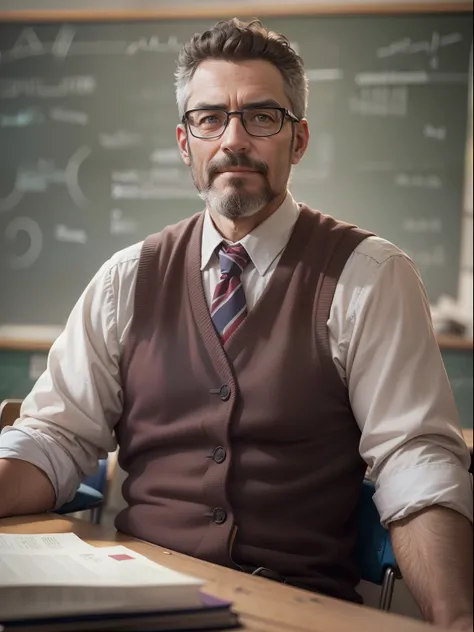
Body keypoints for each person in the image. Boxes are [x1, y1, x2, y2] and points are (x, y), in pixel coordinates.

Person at [0, 18, 472, 629]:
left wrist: (458, 616)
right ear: (184, 141)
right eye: (210, 119)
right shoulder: (126, 278)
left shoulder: (369, 276)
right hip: (134, 589)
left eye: (262, 117)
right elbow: (56, 437)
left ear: (298, 140)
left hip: (289, 608)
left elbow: (415, 460)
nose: (233, 140)